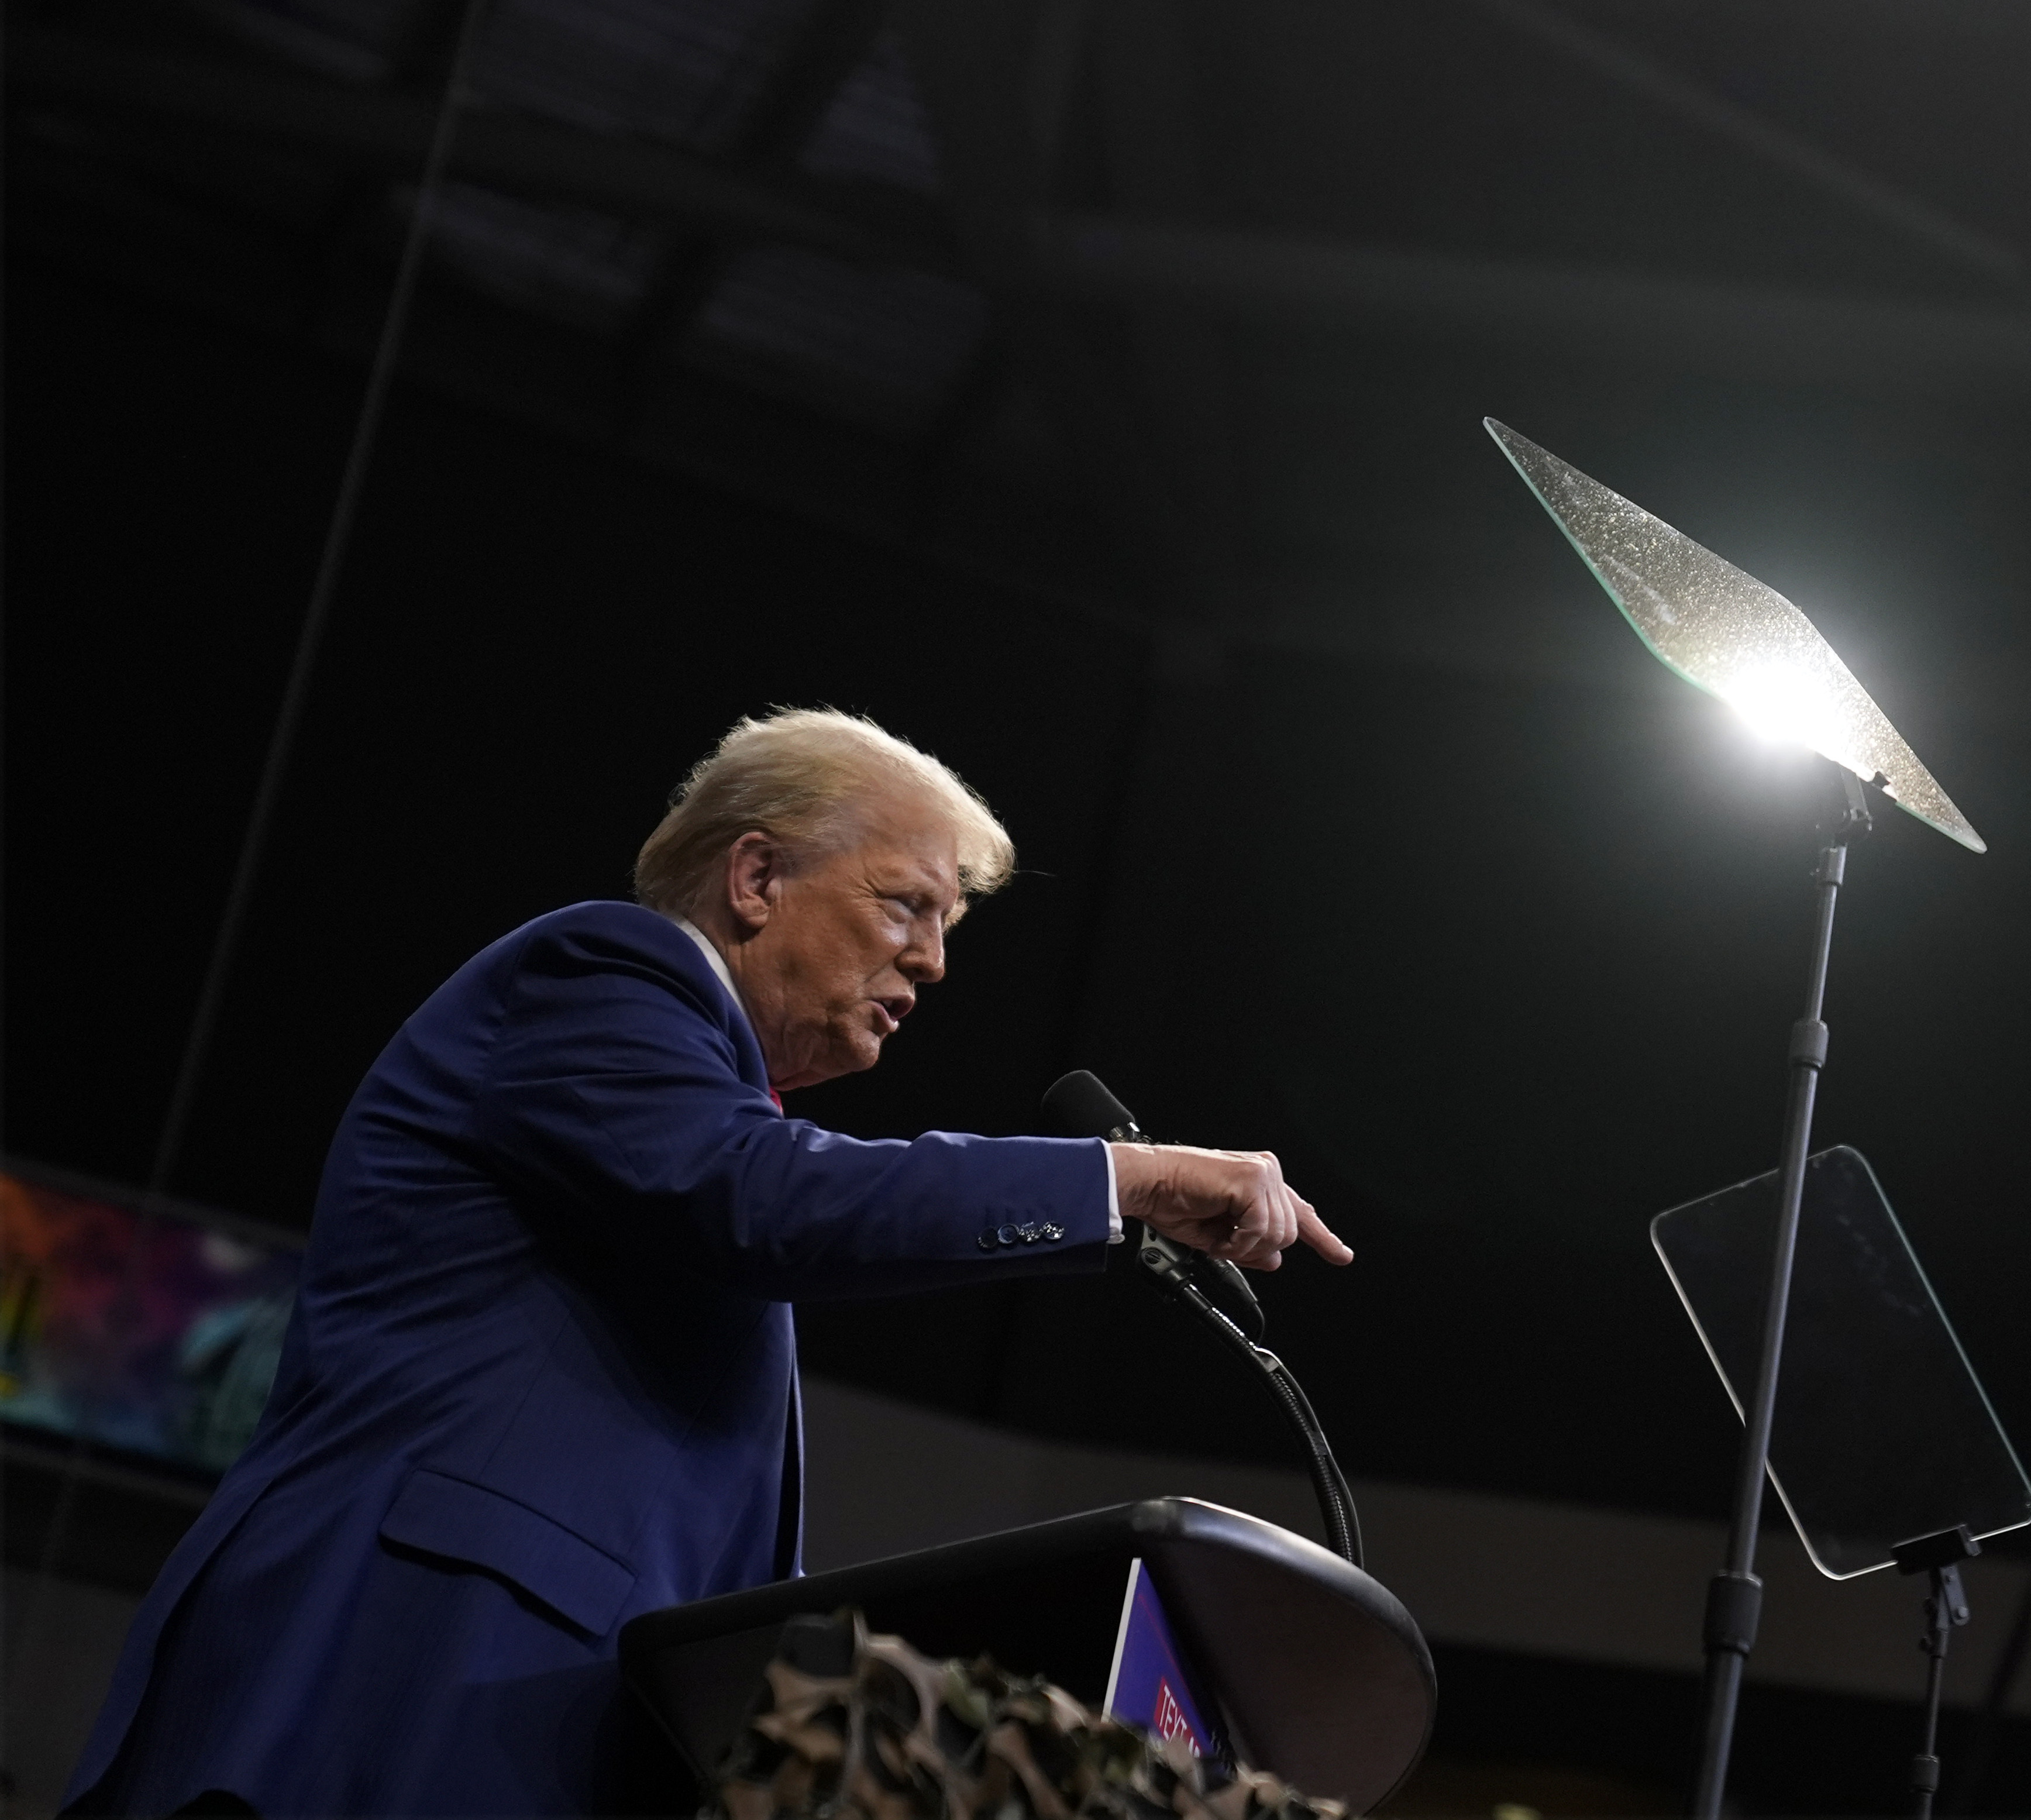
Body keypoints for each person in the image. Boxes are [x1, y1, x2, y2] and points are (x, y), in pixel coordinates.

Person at [65, 710, 1350, 1817]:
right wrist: (1122, 1178)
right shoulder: (601, 977)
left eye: (946, 925)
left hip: (535, 1733)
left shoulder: (715, 1114)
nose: (934, 958)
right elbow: (766, 1200)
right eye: (906, 902)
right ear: (755, 878)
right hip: (390, 1684)